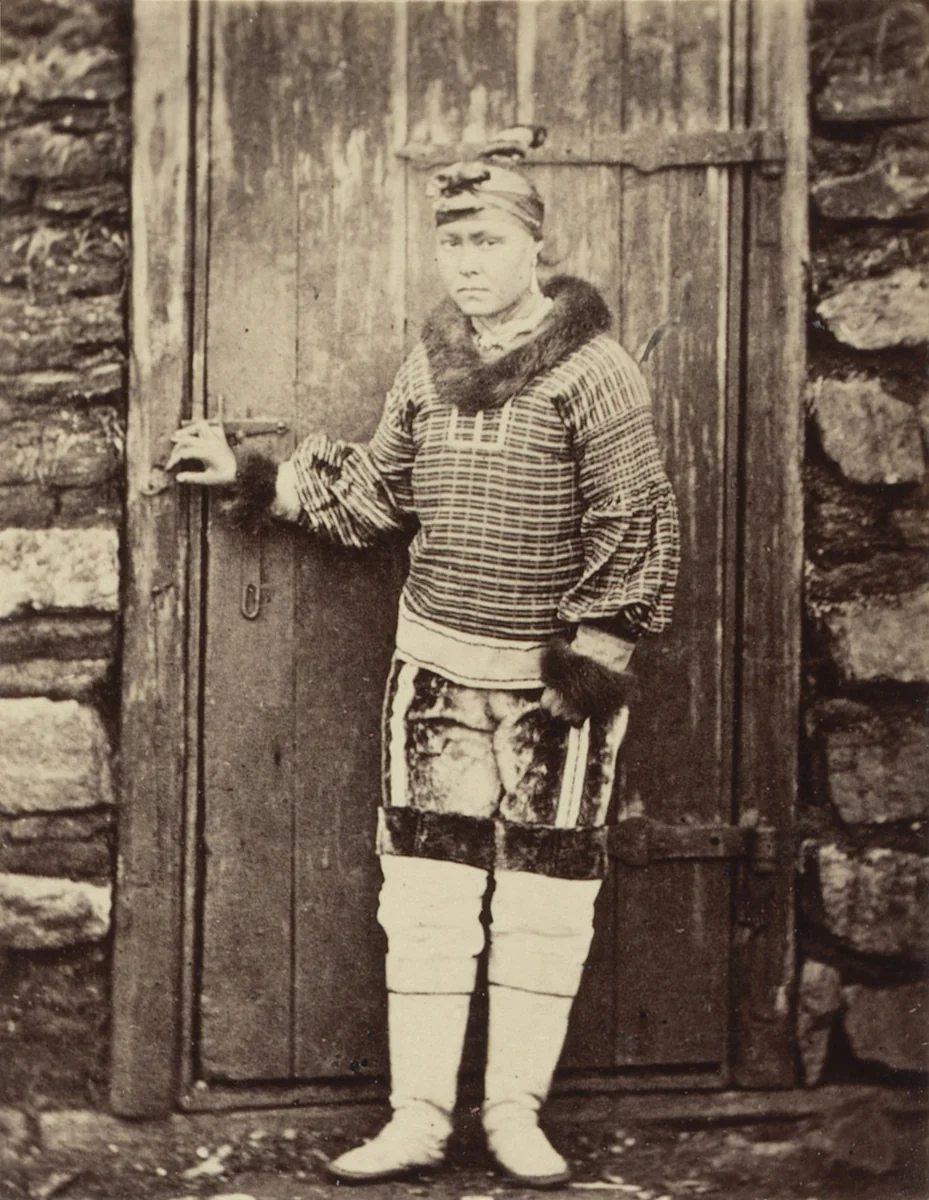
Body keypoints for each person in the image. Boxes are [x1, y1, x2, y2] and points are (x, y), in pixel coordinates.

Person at [168, 127, 680, 1189]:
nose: (466, 262)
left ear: (532, 245)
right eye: (450, 242)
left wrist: (586, 661)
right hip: (432, 675)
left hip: (551, 692)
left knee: (544, 896)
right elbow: (374, 498)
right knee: (427, 897)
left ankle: (513, 1116)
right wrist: (253, 476)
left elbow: (631, 519)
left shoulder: (596, 373)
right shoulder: (430, 366)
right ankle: (417, 1119)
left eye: (486, 239)